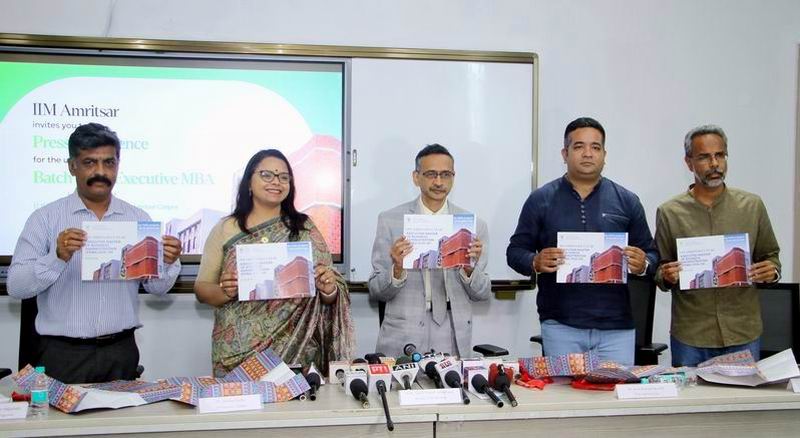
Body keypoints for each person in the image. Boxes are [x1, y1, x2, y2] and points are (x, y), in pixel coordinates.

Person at [7, 123, 182, 384]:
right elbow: (16, 286)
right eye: (89, 162)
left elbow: (157, 288)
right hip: (63, 353)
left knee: (123, 413)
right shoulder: (45, 218)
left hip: (121, 351)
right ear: (72, 166)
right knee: (59, 414)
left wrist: (167, 262)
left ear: (118, 165)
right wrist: (57, 257)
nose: (100, 172)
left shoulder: (138, 218)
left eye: (109, 162)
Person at [506, 117, 658, 366]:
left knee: (615, 390)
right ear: (565, 153)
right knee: (564, 391)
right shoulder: (540, 199)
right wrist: (535, 261)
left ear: (604, 154)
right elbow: (515, 251)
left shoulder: (627, 201)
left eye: (595, 147)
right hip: (561, 325)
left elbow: (652, 255)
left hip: (617, 328)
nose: (588, 153)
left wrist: (643, 264)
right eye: (579, 146)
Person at [194, 149, 354, 377]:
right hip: (237, 353)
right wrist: (224, 291)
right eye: (266, 175)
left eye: (283, 177)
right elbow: (202, 289)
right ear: (249, 182)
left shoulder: (304, 228)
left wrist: (328, 289)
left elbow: (329, 291)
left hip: (297, 350)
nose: (276, 182)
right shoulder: (225, 228)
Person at [655, 124, 781, 366]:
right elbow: (659, 270)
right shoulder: (670, 212)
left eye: (720, 155)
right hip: (691, 334)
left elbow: (771, 256)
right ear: (689, 163)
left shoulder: (752, 206)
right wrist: (666, 275)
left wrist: (771, 271)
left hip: (742, 331)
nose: (714, 164)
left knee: (742, 392)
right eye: (704, 157)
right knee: (690, 393)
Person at [368, 144, 491, 357]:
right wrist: (397, 269)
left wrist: (469, 269)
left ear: (453, 177)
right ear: (416, 177)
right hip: (404, 332)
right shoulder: (390, 220)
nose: (439, 182)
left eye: (446, 174)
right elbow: (376, 290)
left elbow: (482, 293)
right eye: (431, 174)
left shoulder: (472, 225)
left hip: (453, 332)